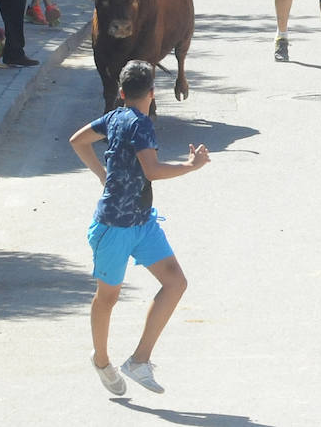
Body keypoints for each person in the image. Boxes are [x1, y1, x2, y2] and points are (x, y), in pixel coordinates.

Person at [69, 60, 210, 396]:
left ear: (121, 92)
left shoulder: (114, 116)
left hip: (142, 221)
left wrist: (102, 175)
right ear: (152, 92)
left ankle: (138, 361)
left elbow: (78, 141)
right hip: (114, 228)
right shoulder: (141, 124)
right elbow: (152, 170)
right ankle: (102, 361)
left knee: (175, 282)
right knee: (108, 298)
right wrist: (191, 166)